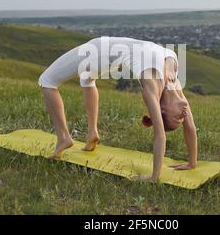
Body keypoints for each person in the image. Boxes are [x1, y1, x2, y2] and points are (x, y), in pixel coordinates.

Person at [38, 36, 198, 182]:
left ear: (164, 109)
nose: (184, 116)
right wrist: (192, 162)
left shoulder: (152, 88)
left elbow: (160, 136)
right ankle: (91, 132)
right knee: (86, 78)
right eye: (181, 119)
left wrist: (154, 176)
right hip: (105, 52)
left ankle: (64, 138)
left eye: (178, 118)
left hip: (102, 52)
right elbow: (190, 126)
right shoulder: (174, 84)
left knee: (47, 80)